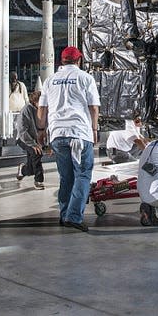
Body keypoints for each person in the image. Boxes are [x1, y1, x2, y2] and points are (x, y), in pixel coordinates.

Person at [36, 46, 100, 232]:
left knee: (66, 177)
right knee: (83, 174)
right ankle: (73, 216)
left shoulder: (50, 80)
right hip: (79, 133)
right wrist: (94, 129)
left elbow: (42, 108)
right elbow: (93, 107)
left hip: (57, 134)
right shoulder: (85, 78)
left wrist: (41, 130)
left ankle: (64, 215)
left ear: (61, 61)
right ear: (79, 60)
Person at [15, 89, 45, 189]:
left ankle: (23, 170)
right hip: (23, 139)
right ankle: (38, 181)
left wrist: (46, 144)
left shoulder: (43, 110)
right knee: (37, 153)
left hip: (36, 139)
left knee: (31, 169)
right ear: (35, 101)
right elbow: (22, 130)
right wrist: (33, 144)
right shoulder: (26, 110)